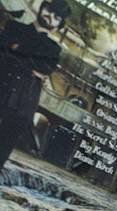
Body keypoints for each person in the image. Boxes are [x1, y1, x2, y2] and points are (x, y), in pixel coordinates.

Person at [0, 0, 71, 170]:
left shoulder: (54, 50)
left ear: (58, 25)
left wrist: (17, 49)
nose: (50, 17)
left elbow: (45, 68)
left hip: (22, 105)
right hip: (2, 88)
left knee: (2, 150)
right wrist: (31, 66)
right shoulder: (14, 27)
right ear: (42, 8)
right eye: (49, 10)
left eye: (56, 17)